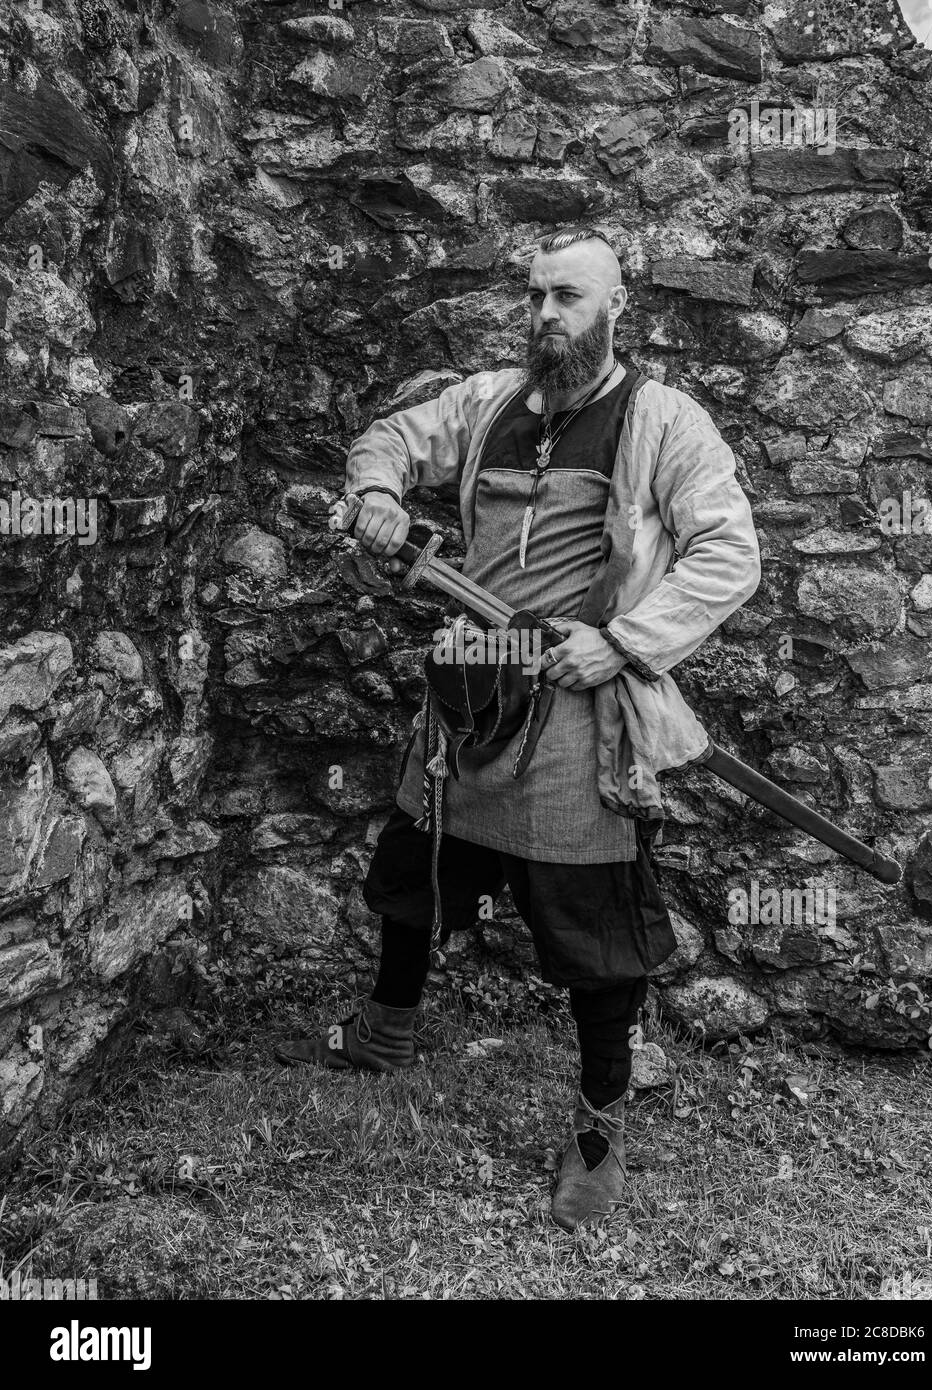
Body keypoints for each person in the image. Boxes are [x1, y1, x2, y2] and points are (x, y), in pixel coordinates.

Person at [276, 226, 762, 1231]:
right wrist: (373, 494)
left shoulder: (663, 421)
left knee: (594, 933)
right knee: (416, 870)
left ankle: (596, 1135)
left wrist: (624, 642)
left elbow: (727, 555)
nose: (546, 314)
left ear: (614, 308)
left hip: (577, 709)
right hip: (467, 695)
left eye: (569, 297)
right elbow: (391, 440)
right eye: (537, 295)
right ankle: (388, 1030)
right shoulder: (490, 401)